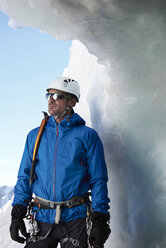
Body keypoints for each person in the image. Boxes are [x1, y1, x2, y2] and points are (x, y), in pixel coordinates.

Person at [9, 77, 111, 248]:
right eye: (48, 95)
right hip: (41, 217)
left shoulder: (87, 136)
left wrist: (100, 218)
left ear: (72, 101)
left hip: (76, 219)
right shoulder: (35, 135)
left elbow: (98, 179)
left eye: (57, 96)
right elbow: (25, 176)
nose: (51, 99)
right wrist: (17, 211)